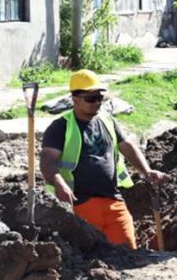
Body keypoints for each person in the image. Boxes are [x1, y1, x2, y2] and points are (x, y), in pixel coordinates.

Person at [40, 70, 166, 249]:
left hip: (113, 200)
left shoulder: (107, 121)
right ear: (75, 99)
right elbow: (47, 160)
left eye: (99, 98)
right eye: (90, 99)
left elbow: (127, 147)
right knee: (90, 258)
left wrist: (146, 171)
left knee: (130, 254)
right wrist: (58, 183)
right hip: (80, 204)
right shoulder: (61, 126)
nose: (96, 103)